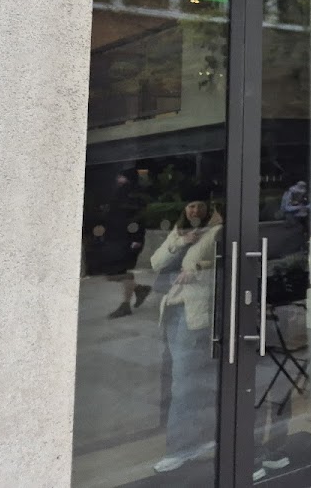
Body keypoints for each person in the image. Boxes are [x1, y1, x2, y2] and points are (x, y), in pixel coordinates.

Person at [149, 191, 223, 474]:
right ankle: (201, 438)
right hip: (172, 308)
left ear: (209, 208)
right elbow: (155, 262)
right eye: (190, 205)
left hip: (195, 312)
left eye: (200, 206)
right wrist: (182, 241)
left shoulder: (217, 231)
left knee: (184, 382)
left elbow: (228, 261)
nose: (194, 211)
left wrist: (199, 268)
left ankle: (180, 447)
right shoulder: (180, 231)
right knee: (187, 378)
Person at [85, 170, 150, 319]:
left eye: (122, 177)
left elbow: (138, 219)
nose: (119, 179)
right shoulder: (118, 194)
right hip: (116, 239)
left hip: (128, 240)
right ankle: (139, 289)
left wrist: (136, 240)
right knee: (112, 273)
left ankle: (126, 305)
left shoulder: (134, 196)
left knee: (120, 271)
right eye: (119, 176)